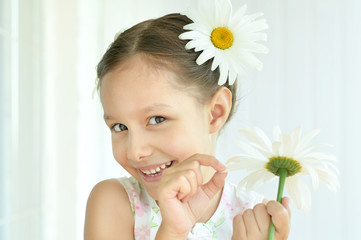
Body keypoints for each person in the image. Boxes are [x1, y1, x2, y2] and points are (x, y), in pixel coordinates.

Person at [84, 1, 291, 239]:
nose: (134, 151)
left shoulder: (257, 220)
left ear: (215, 112)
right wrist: (172, 231)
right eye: (119, 127)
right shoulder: (115, 203)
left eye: (157, 119)